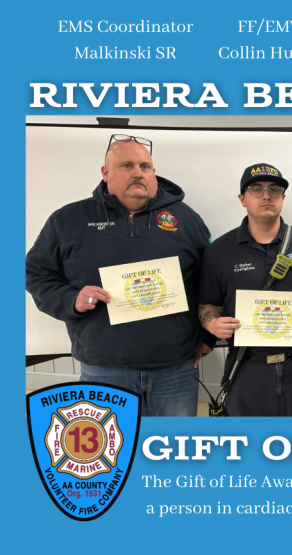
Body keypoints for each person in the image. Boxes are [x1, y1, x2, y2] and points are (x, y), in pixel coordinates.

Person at [26, 134, 214, 416]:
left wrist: (208, 335)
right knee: (113, 445)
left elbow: (211, 279)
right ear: (105, 172)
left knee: (172, 445)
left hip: (175, 370)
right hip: (103, 370)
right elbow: (36, 272)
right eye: (127, 165)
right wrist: (71, 299)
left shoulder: (186, 220)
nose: (138, 173)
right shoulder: (67, 220)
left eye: (145, 166)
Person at [198, 163, 292, 416]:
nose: (266, 195)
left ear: (283, 197)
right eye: (256, 189)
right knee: (249, 439)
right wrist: (213, 325)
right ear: (242, 198)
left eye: (274, 189)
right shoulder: (219, 250)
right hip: (246, 368)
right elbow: (208, 305)